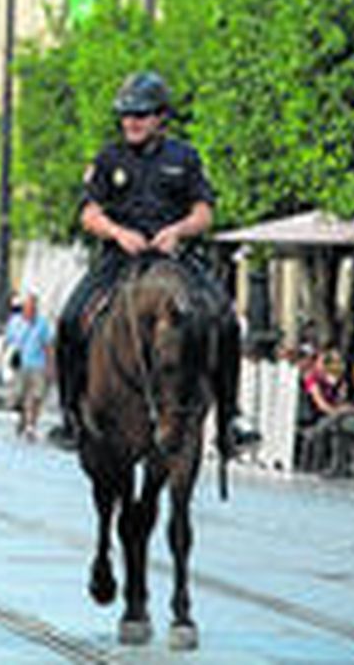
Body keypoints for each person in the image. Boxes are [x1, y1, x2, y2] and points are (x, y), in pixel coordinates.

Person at [54, 71, 257, 452]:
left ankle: (230, 418)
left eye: (141, 114)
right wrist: (117, 232)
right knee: (69, 318)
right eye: (126, 114)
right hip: (121, 258)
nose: (131, 122)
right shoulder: (108, 158)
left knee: (226, 320)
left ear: (161, 117)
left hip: (174, 258)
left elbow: (204, 212)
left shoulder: (185, 157)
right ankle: (69, 413)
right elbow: (88, 213)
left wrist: (178, 230)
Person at [5, 293, 55, 441]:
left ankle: (31, 426)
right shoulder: (15, 322)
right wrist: (3, 360)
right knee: (18, 397)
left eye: (32, 307)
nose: (30, 310)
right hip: (20, 365)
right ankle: (23, 418)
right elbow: (8, 341)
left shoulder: (42, 323)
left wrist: (50, 366)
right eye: (27, 307)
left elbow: (48, 346)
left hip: (38, 365)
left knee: (36, 397)